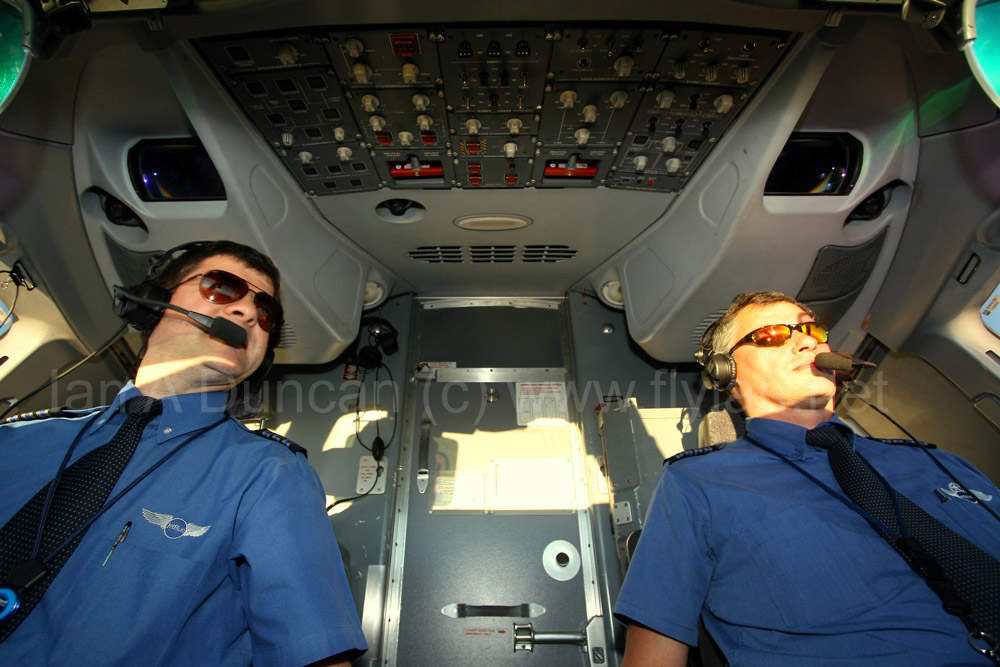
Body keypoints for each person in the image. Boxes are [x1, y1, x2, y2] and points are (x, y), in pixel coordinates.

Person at [0, 241, 367, 665]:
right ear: (154, 304)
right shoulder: (18, 438)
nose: (249, 313)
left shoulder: (268, 474)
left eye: (266, 313)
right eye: (221, 288)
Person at [614, 290, 1000, 665]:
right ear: (725, 371)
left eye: (812, 332)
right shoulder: (698, 483)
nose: (805, 343)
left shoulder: (935, 460)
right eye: (771, 336)